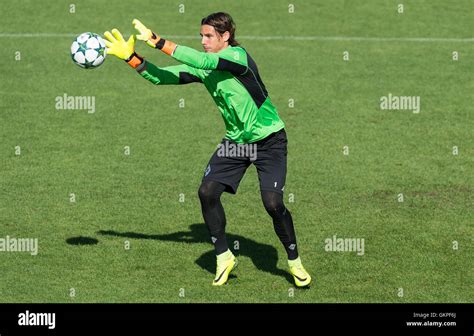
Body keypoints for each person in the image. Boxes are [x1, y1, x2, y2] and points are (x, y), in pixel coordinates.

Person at [104, 12, 311, 287]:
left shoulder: (238, 58)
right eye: (201, 36)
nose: (203, 41)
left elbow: (203, 60)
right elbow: (160, 77)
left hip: (269, 141)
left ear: (225, 37)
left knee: (273, 204)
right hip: (237, 143)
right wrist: (132, 58)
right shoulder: (205, 68)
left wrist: (157, 41)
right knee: (207, 192)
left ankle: (294, 262)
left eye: (209, 36)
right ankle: (224, 256)